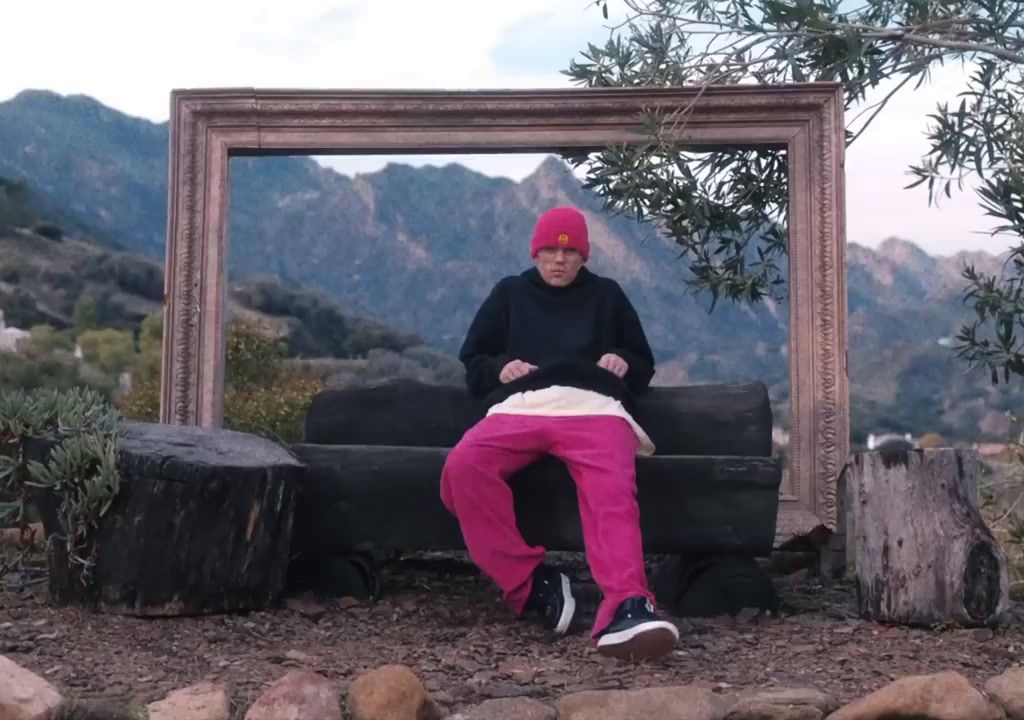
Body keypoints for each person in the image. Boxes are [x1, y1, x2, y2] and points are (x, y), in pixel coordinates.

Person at [439, 205, 679, 660]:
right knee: (462, 469)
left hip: (595, 407)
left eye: (569, 252)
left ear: (583, 256)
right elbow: (474, 363)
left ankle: (628, 605)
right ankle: (531, 585)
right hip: (523, 405)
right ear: (536, 252)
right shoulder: (509, 293)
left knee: (611, 493)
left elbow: (642, 363)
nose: (558, 260)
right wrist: (498, 367)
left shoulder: (608, 295)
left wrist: (624, 363)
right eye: (549, 250)